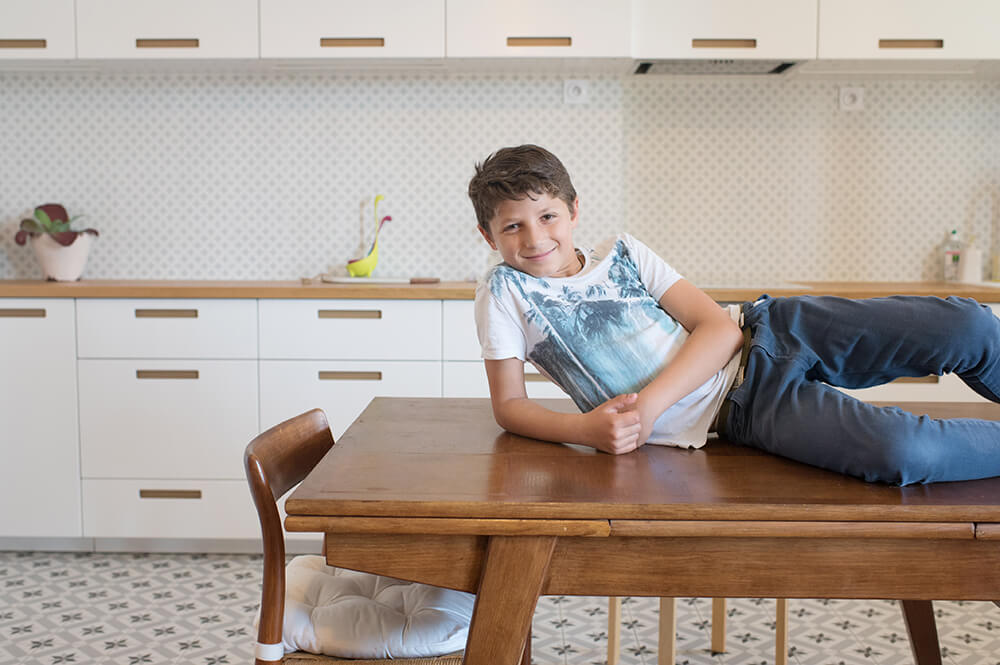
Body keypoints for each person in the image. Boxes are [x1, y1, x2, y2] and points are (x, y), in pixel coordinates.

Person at [468, 144, 1000, 485]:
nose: (536, 238)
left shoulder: (623, 251)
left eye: (547, 215)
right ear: (488, 236)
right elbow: (509, 405)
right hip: (746, 409)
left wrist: (648, 406)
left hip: (775, 328)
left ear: (574, 210)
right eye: (512, 227)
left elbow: (720, 329)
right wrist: (586, 430)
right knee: (904, 453)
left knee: (968, 325)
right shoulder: (502, 293)